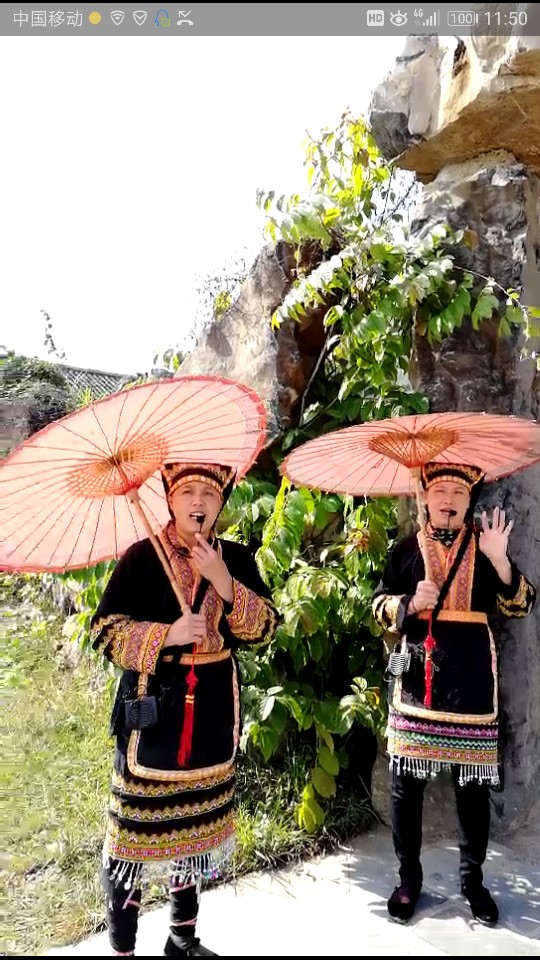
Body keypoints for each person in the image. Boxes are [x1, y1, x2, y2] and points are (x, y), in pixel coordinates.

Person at [90, 462, 278, 957]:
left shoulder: (235, 558)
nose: (198, 502)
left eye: (209, 494)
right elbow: (104, 633)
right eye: (188, 492)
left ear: (221, 504)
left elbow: (264, 629)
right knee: (129, 845)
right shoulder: (141, 558)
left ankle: (182, 939)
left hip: (212, 712)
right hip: (151, 716)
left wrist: (224, 582)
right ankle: (123, 950)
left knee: (193, 838)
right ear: (170, 500)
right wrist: (167, 635)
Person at [372, 461, 536, 926]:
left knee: (473, 789)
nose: (448, 500)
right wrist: (408, 603)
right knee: (405, 787)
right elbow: (377, 606)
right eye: (440, 491)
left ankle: (472, 880)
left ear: (469, 502)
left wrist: (500, 560)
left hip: (472, 687)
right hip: (417, 685)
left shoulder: (485, 549)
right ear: (425, 498)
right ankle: (408, 878)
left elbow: (522, 604)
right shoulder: (406, 550)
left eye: (458, 494)